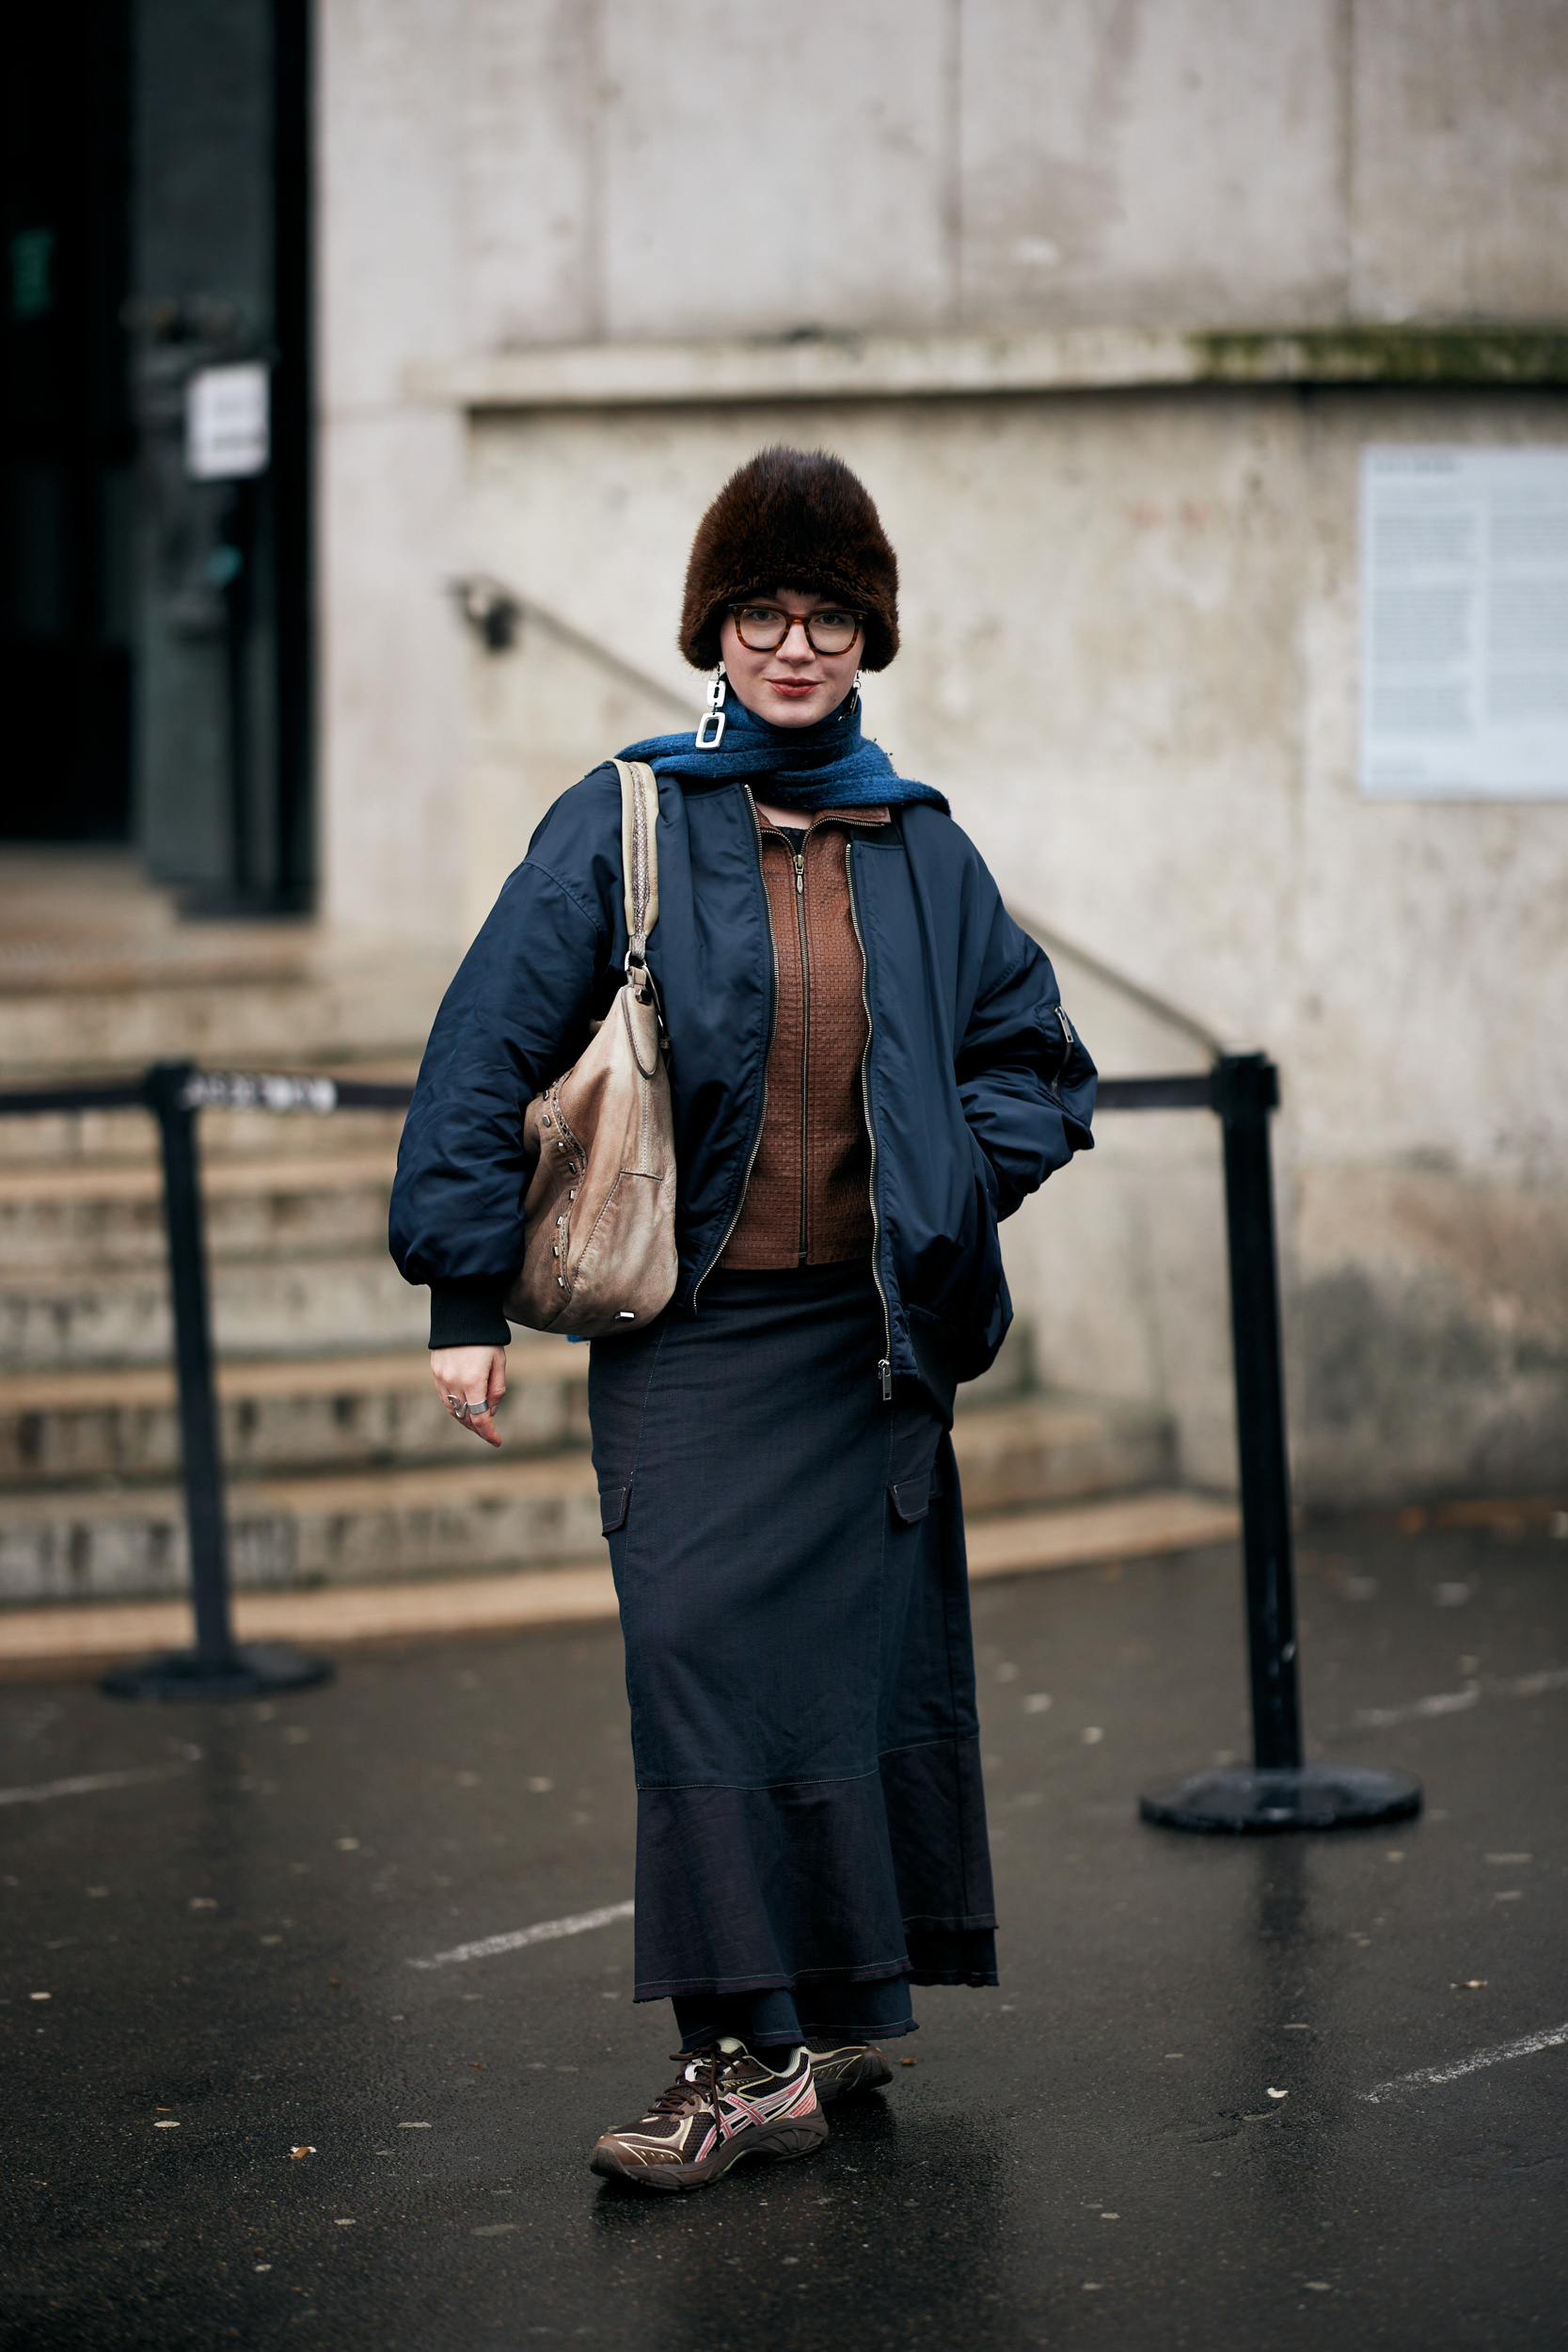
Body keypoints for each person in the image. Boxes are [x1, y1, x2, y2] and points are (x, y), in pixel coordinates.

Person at [389, 445, 1096, 2192]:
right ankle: (742, 2047)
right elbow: (483, 1049)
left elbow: (1039, 1063)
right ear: (715, 628)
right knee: (699, 1664)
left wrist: (953, 1176)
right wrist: (463, 1294)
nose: (796, 647)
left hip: (867, 1339)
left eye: (831, 617)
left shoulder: (919, 845)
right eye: (765, 615)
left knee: (847, 1687)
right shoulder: (629, 815)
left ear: (873, 636)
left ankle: (821, 2026)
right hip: (689, 1342)